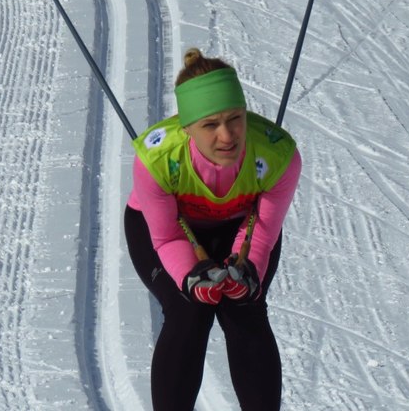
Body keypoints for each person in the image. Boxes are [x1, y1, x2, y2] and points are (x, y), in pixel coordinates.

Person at [124, 48, 302, 411]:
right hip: (169, 230)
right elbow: (166, 235)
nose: (227, 135)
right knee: (189, 310)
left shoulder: (277, 156)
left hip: (242, 227)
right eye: (210, 125)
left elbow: (262, 230)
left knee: (245, 306)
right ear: (186, 127)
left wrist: (246, 269)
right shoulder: (156, 159)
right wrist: (191, 276)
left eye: (235, 118)